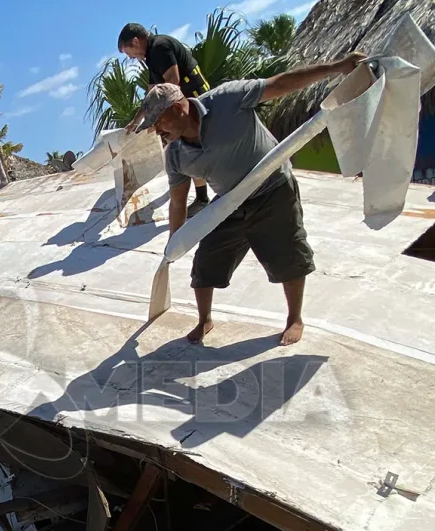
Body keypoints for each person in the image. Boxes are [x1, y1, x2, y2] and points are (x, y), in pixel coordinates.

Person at [140, 51, 364, 346]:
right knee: (205, 264)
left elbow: (282, 84)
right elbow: (178, 201)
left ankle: (294, 317)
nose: (157, 130)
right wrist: (174, 245)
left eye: (159, 121)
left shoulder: (227, 99)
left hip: (273, 189)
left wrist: (337, 66)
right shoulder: (176, 156)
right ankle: (204, 319)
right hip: (230, 203)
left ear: (179, 107)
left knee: (289, 257)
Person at [118, 23, 211, 212]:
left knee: (191, 148)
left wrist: (160, 116)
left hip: (194, 102)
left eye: (128, 52)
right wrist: (137, 121)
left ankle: (204, 197)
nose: (130, 58)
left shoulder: (160, 48)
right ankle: (202, 196)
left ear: (136, 41)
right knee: (187, 148)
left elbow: (172, 82)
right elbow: (152, 94)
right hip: (183, 105)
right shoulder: (152, 56)